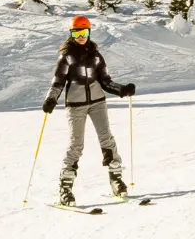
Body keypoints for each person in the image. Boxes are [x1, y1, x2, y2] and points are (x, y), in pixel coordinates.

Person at [42, 16, 135, 207]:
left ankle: (116, 180)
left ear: (89, 32)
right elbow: (58, 81)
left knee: (107, 139)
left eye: (84, 32)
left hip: (98, 102)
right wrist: (51, 98)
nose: (81, 37)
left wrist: (121, 89)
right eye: (77, 33)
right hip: (75, 105)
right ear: (71, 34)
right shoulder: (66, 57)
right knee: (76, 145)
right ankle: (65, 189)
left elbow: (106, 81)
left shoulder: (96, 56)